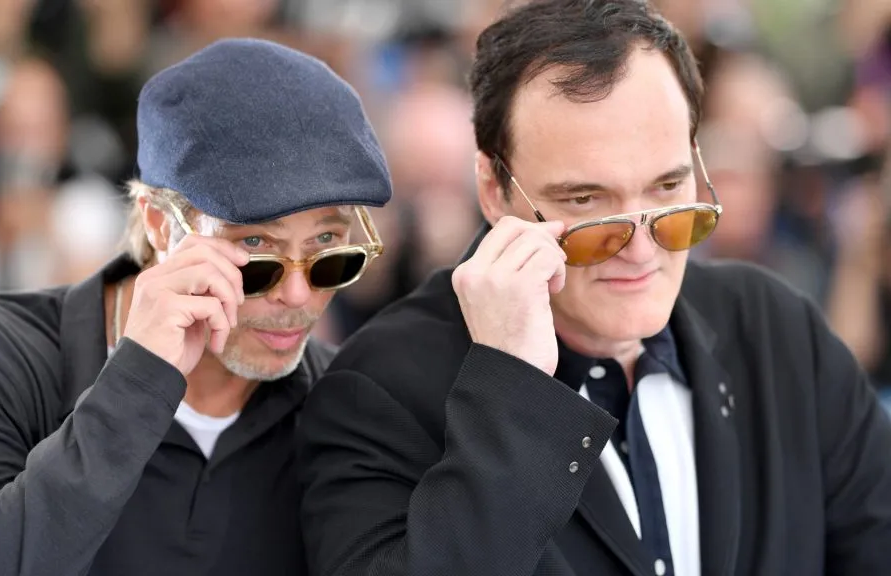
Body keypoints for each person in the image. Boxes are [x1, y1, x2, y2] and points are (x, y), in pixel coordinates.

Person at [296, 2, 891, 575]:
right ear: (494, 190)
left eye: (667, 189)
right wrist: (511, 389)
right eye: (586, 203)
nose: (638, 247)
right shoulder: (376, 391)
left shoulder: (777, 327)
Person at [0, 38, 392, 576]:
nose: (297, 295)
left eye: (330, 253)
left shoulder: (340, 405)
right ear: (157, 224)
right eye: (255, 248)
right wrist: (137, 383)